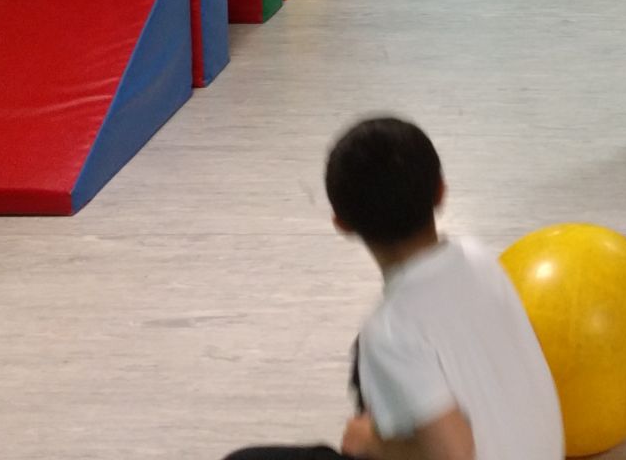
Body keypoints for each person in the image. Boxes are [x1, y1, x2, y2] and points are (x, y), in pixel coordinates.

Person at [223, 118, 562, 460]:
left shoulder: (390, 331)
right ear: (441, 192)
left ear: (341, 223)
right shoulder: (479, 257)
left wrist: (370, 443)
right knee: (371, 359)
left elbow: (454, 455)